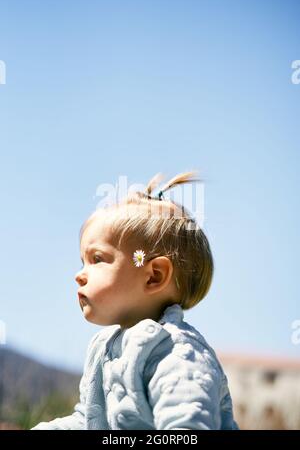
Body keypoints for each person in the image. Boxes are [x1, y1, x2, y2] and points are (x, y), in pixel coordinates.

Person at [32, 171, 239, 430]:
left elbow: (188, 424)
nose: (79, 275)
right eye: (82, 261)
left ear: (153, 276)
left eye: (97, 259)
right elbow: (89, 421)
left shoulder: (175, 350)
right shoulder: (103, 347)